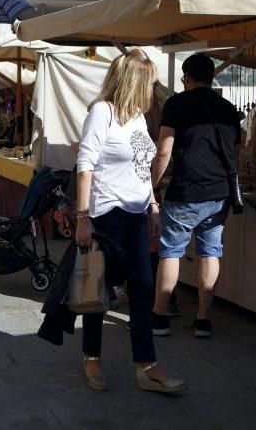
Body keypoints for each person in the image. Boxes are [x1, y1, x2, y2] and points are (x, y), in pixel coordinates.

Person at [74, 49, 186, 393]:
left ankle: (146, 366)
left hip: (137, 214)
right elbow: (85, 164)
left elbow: (141, 168)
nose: (153, 90)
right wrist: (83, 217)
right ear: (134, 82)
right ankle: (91, 356)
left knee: (142, 289)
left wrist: (152, 203)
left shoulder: (137, 117)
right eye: (149, 83)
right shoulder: (101, 113)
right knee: (99, 290)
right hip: (107, 215)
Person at [151, 53, 241, 339]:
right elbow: (236, 153)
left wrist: (151, 183)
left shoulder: (176, 103)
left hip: (185, 190)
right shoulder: (227, 107)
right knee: (210, 252)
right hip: (219, 193)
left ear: (187, 77)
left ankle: (160, 318)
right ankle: (203, 320)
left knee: (171, 251)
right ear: (212, 76)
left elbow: (164, 150)